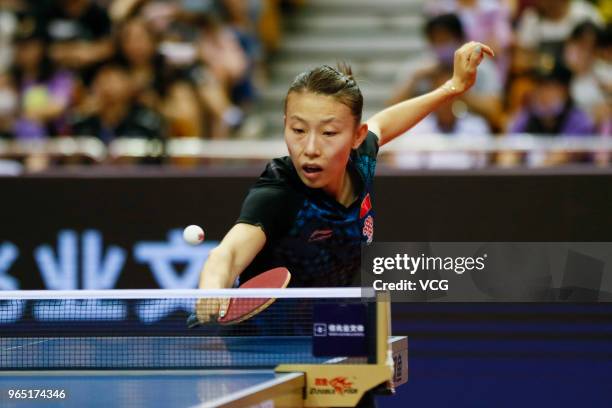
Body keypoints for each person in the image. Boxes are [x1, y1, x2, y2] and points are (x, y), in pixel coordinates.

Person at [195, 41, 494, 318]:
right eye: (298, 130)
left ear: (357, 136)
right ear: (285, 125)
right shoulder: (280, 190)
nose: (310, 149)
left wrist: (453, 88)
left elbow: (384, 122)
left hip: (335, 330)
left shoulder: (361, 159)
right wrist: (211, 286)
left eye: (328, 133)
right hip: (266, 349)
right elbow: (228, 253)